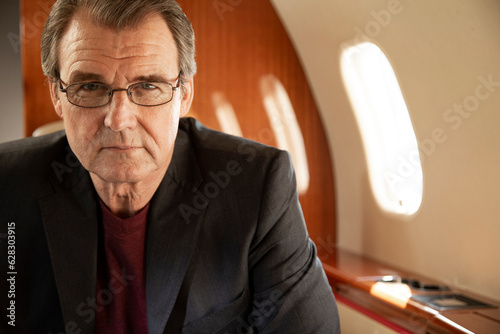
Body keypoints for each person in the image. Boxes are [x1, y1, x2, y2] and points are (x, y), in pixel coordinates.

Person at [0, 0, 340, 332]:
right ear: (56, 94)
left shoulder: (257, 185)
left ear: (185, 94)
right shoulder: (7, 183)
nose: (119, 119)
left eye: (148, 86)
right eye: (90, 86)